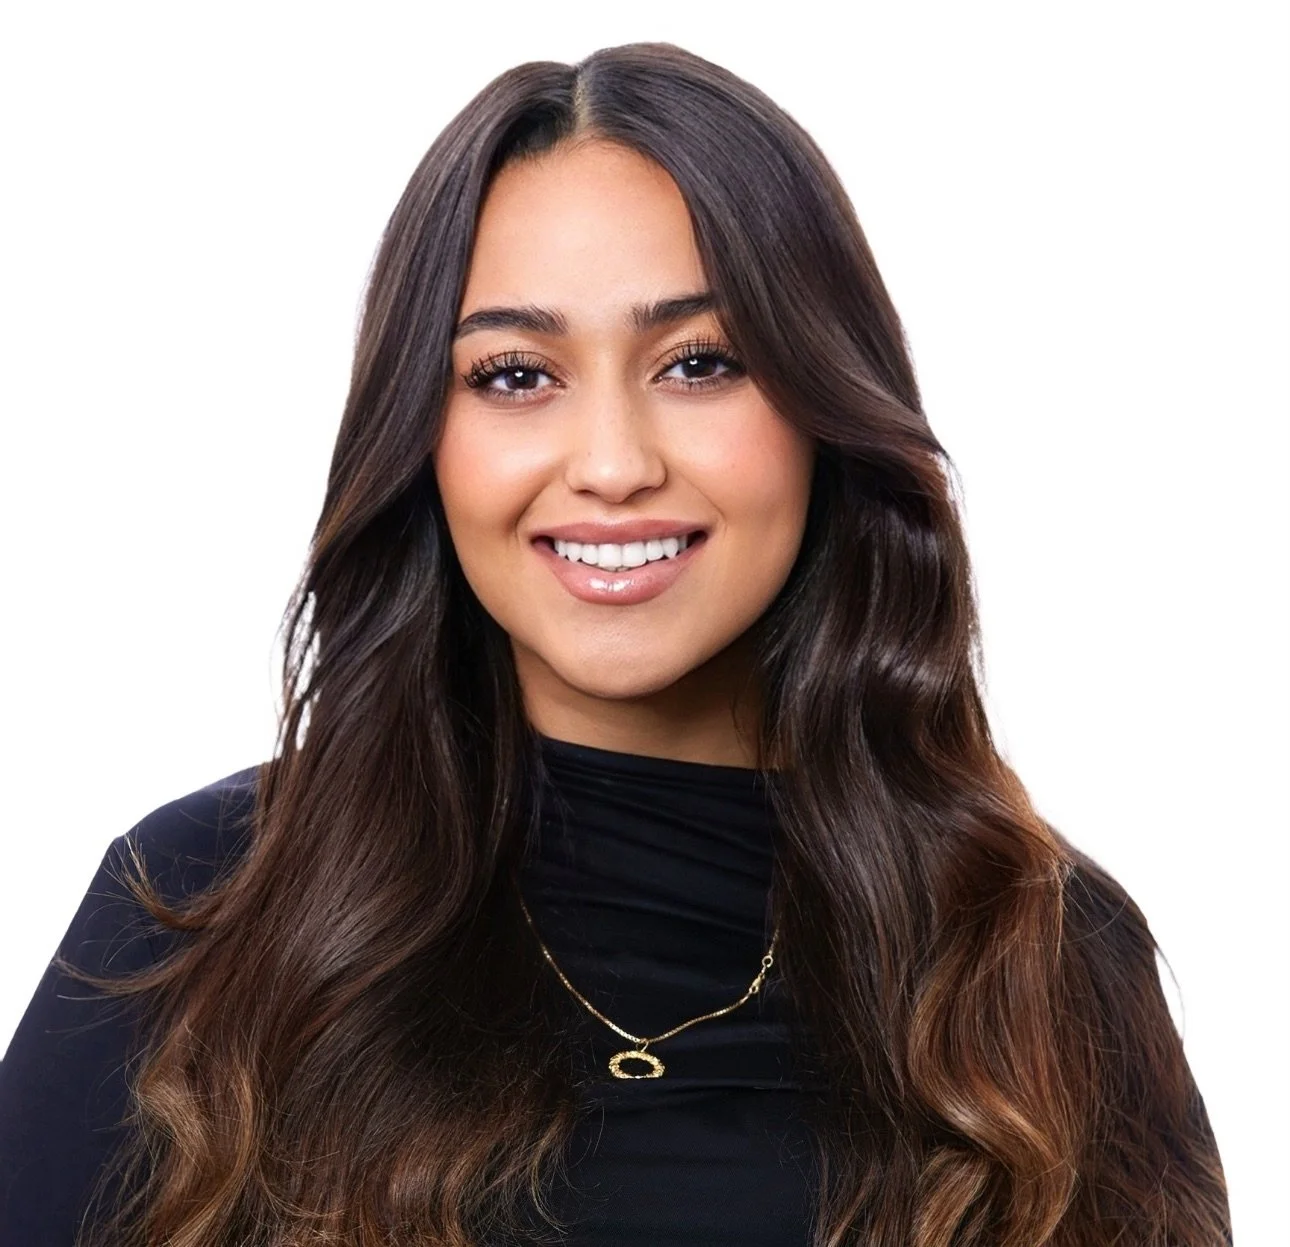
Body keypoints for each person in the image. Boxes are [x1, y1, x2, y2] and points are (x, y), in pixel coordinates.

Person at [0, 40, 1231, 1247]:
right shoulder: (204, 909)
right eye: (517, 374)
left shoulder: (1041, 955)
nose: (611, 464)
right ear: (421, 438)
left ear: (822, 403)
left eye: (702, 362)